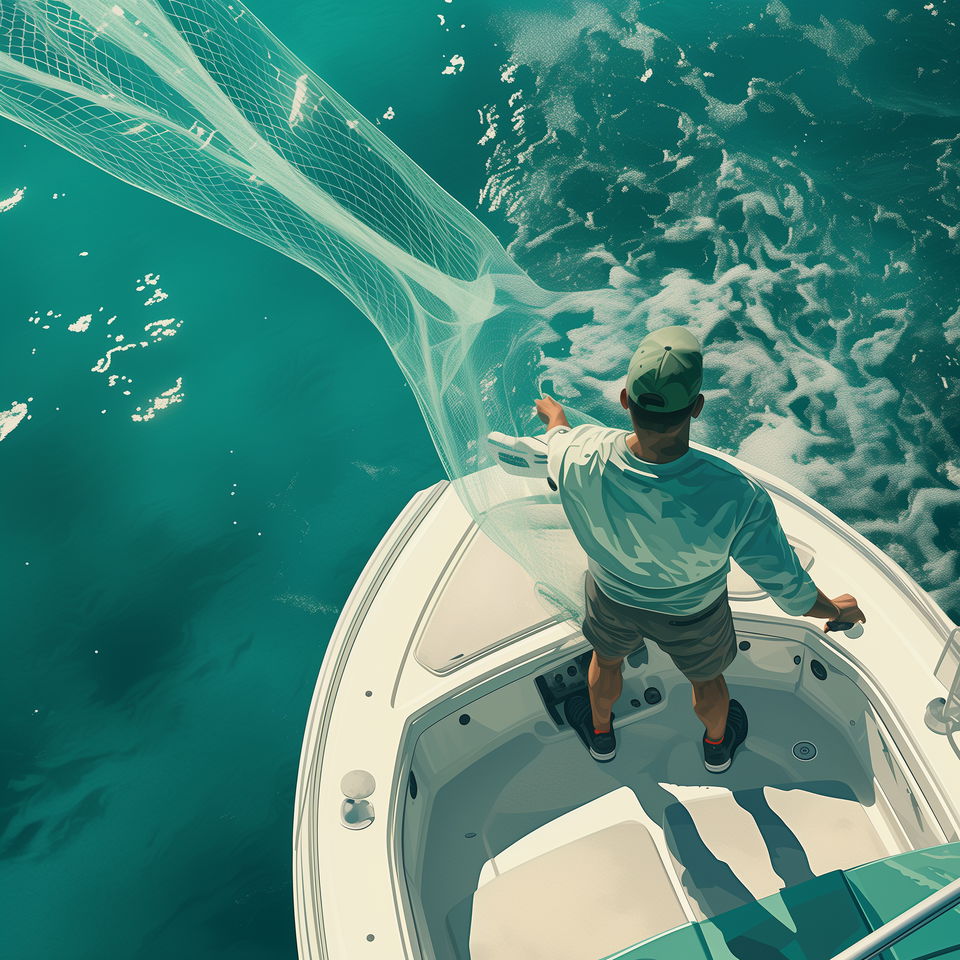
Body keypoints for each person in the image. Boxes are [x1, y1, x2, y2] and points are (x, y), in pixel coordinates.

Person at [534, 325, 866, 772]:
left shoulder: (577, 453)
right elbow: (788, 589)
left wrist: (556, 418)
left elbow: (556, 439)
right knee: (707, 681)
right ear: (697, 406)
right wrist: (836, 610)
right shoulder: (736, 492)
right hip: (694, 615)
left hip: (611, 599)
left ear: (625, 399)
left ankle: (600, 736)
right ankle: (716, 748)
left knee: (606, 663)